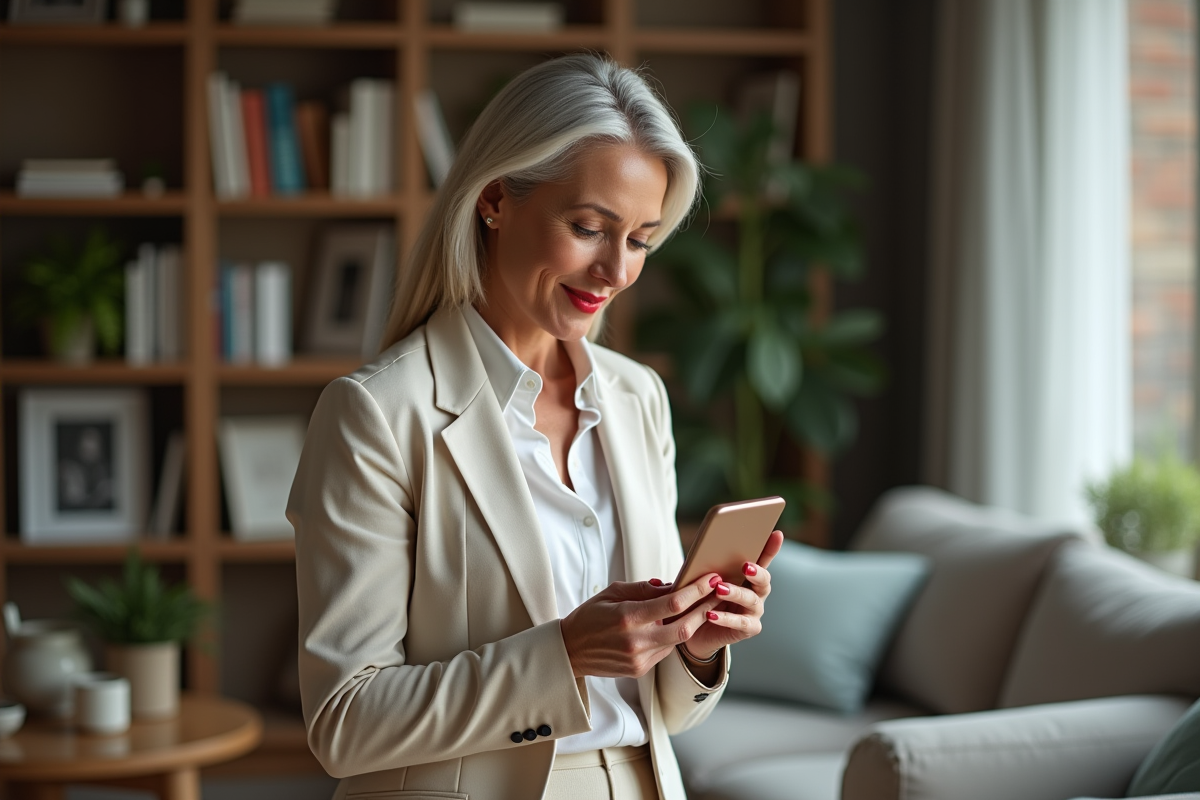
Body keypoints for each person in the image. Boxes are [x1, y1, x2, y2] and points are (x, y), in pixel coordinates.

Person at [288, 53, 783, 800]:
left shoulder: (637, 396)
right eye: (590, 227)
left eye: (642, 239)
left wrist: (695, 649)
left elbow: (660, 716)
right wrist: (564, 655)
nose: (616, 270)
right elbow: (345, 723)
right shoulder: (377, 415)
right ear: (494, 199)